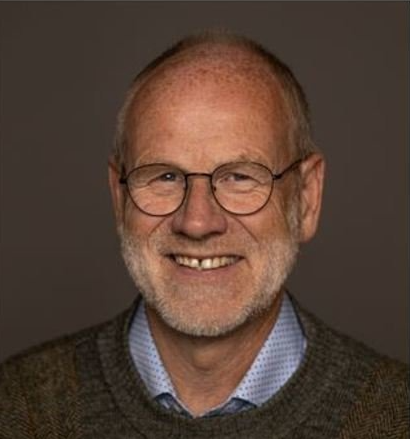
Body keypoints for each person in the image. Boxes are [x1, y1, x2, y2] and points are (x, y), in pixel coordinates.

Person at [0, 31, 407, 438]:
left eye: (239, 177)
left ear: (306, 198)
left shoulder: (395, 417)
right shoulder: (19, 409)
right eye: (164, 176)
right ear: (119, 197)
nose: (197, 222)